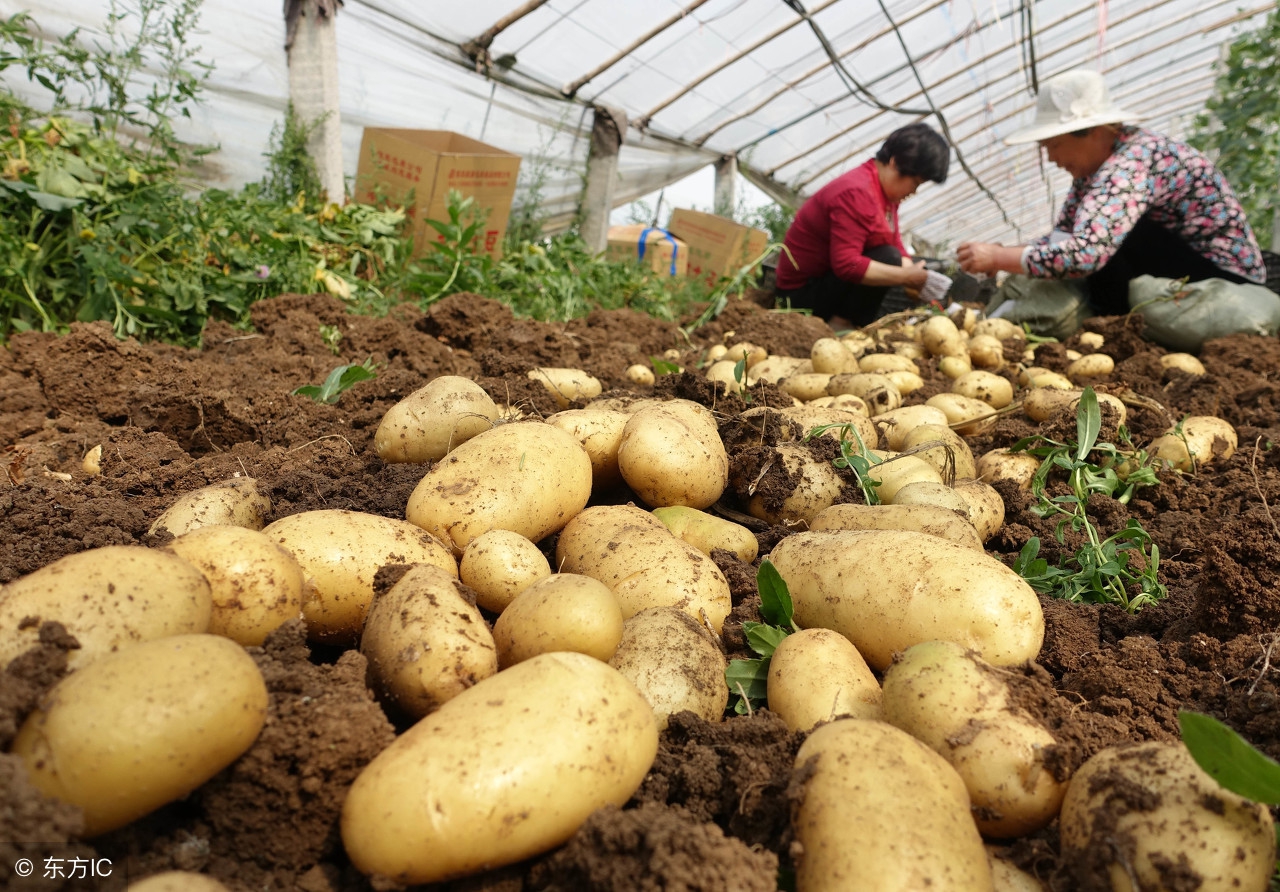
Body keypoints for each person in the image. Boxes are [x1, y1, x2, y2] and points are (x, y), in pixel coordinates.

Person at [957, 69, 1266, 315]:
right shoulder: (1095, 170)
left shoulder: (1132, 163)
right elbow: (1063, 237)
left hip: (1225, 279)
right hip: (1184, 266)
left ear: (1090, 133)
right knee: (1095, 233)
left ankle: (1112, 322)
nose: (1051, 158)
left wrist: (998, 257)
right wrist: (1006, 251)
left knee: (1114, 238)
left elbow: (1085, 254)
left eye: (1054, 145)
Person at [774, 122, 953, 328]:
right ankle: (840, 326)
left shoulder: (885, 195)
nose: (914, 191)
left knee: (892, 255)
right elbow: (847, 264)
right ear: (894, 163)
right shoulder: (857, 192)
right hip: (799, 297)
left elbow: (894, 241)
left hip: (826, 284)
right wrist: (905, 276)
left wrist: (919, 275)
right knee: (889, 258)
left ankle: (847, 323)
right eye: (915, 183)